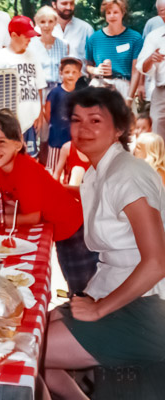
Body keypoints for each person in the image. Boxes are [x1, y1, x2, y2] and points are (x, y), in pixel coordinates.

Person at [43, 86, 165, 400]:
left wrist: (98, 311)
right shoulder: (99, 173)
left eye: (95, 120)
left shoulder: (127, 174)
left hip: (147, 307)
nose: (83, 128)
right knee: (29, 333)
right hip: (113, 292)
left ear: (120, 128)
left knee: (27, 350)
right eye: (76, 119)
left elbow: (157, 262)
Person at [0, 110, 98, 295]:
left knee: (83, 286)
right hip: (58, 227)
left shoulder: (25, 171)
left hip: (74, 228)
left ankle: (89, 317)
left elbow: (32, 217)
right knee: (74, 280)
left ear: (18, 143)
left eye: (1, 142)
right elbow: (5, 201)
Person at [0, 16, 47, 158]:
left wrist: (39, 113)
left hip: (30, 119)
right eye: (26, 36)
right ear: (14, 35)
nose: (30, 40)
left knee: (31, 159)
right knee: (11, 159)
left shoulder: (32, 57)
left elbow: (39, 85)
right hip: (9, 120)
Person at [85, 0, 143, 104]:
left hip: (124, 86)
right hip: (100, 85)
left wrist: (130, 98)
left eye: (115, 12)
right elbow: (87, 65)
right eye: (108, 13)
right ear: (105, 15)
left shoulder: (135, 38)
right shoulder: (94, 38)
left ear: (123, 13)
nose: (112, 16)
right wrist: (96, 70)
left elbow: (136, 71)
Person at [44, 57, 83, 171]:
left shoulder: (81, 94)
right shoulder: (55, 92)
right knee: (54, 169)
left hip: (74, 141)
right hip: (57, 139)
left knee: (71, 170)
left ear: (79, 75)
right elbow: (48, 113)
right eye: (67, 72)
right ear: (61, 74)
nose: (70, 75)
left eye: (74, 72)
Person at [137, 3, 165, 139]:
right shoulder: (154, 36)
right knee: (157, 130)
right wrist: (151, 59)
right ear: (159, 14)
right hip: (161, 91)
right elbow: (142, 66)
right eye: (163, 11)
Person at [29, 6, 69, 94]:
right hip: (37, 91)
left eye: (50, 21)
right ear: (37, 22)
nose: (46, 25)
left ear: (55, 22)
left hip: (58, 91)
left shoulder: (64, 45)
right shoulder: (30, 44)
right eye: (42, 22)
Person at [51, 0, 94, 69]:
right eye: (64, 3)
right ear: (54, 4)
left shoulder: (86, 29)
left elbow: (93, 62)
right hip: (51, 78)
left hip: (80, 78)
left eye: (71, 3)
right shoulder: (42, 29)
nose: (69, 7)